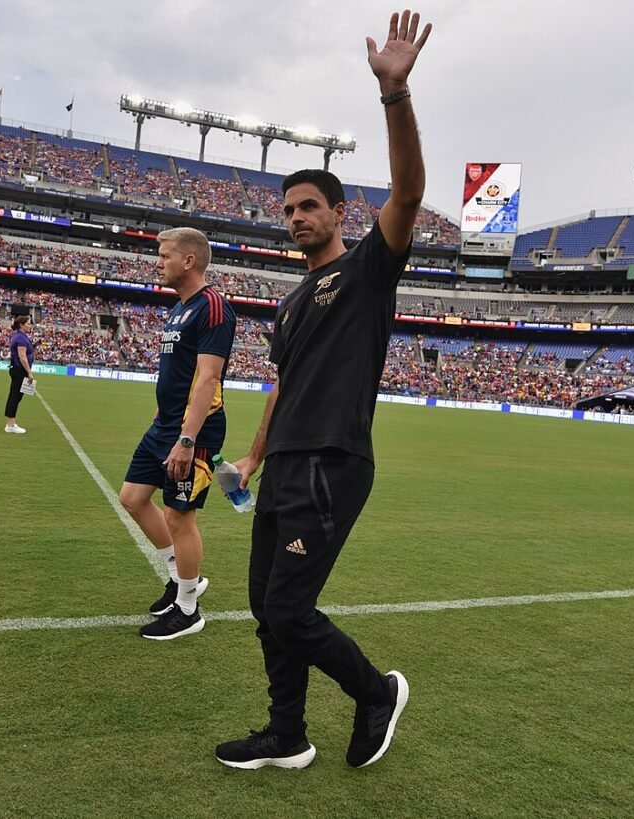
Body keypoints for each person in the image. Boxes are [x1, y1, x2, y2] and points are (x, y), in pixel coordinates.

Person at [215, 9, 432, 770]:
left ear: (338, 212)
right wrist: (249, 459)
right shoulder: (289, 301)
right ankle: (287, 733)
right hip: (283, 467)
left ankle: (376, 692)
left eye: (309, 205)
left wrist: (394, 95)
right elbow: (282, 388)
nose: (296, 217)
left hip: (334, 461)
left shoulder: (367, 271)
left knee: (288, 607)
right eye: (288, 209)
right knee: (263, 609)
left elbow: (407, 191)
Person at [118, 227, 236, 640]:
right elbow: (176, 375)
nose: (158, 263)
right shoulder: (178, 308)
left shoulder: (213, 307)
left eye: (164, 256)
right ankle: (179, 576)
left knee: (179, 515)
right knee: (132, 499)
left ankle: (188, 609)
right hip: (163, 425)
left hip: (194, 431)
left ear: (189, 261)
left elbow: (207, 379)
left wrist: (187, 439)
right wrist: (159, 420)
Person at [4, 314, 35, 434]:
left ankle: (11, 422)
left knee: (16, 396)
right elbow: (22, 356)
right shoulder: (21, 338)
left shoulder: (20, 336)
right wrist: (29, 372)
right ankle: (10, 424)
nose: (30, 325)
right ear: (21, 325)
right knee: (15, 396)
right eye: (28, 323)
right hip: (19, 370)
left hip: (17, 369)